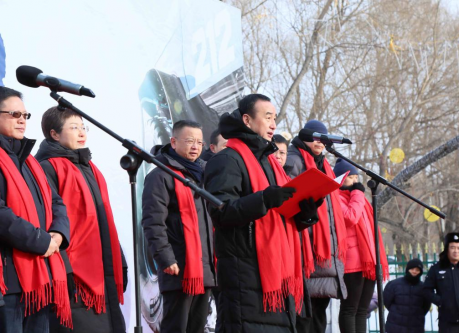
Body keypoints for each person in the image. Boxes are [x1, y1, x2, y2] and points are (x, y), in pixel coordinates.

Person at [204, 94, 320, 332]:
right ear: (247, 120)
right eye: (267, 117)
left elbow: (280, 216)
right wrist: (265, 199)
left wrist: (305, 213)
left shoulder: (270, 162)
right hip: (245, 275)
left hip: (278, 279)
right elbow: (222, 212)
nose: (273, 124)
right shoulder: (227, 159)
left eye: (275, 118)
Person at [35, 107, 127, 333]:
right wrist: (64, 268)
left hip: (102, 269)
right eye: (73, 127)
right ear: (54, 134)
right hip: (73, 273)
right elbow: (48, 220)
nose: (81, 132)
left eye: (83, 127)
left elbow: (104, 221)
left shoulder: (89, 167)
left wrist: (120, 261)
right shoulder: (45, 168)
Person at [0, 87, 71, 332]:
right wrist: (41, 241)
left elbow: (56, 202)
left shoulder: (29, 160)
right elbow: (2, 216)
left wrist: (58, 236)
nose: (21, 120)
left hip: (40, 278)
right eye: (13, 114)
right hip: (7, 282)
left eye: (25, 115)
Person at [141, 120, 216, 333]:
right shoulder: (160, 176)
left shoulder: (204, 175)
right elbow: (153, 221)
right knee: (176, 327)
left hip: (205, 268)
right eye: (189, 141)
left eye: (199, 142)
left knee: (197, 328)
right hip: (179, 267)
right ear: (173, 142)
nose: (195, 146)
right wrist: (166, 258)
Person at [284, 120, 348, 333]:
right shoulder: (294, 161)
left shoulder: (324, 164)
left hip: (322, 252)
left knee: (319, 314)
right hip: (304, 249)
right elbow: (290, 204)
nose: (321, 142)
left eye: (324, 138)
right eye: (316, 137)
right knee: (304, 317)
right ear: (305, 137)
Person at [334, 158, 389, 333]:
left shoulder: (359, 200)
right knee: (350, 308)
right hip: (351, 264)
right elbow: (351, 217)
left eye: (357, 178)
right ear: (341, 179)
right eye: (351, 178)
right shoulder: (336, 198)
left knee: (362, 310)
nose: (356, 182)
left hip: (368, 262)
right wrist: (357, 193)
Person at [383, 258, 431, 333]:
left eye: (417, 270)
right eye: (412, 269)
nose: (414, 271)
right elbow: (387, 301)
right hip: (395, 326)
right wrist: (397, 313)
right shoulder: (394, 285)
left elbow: (426, 306)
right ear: (407, 269)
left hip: (415, 326)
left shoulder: (423, 288)